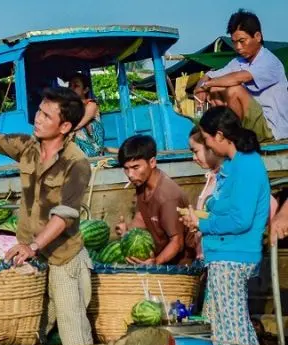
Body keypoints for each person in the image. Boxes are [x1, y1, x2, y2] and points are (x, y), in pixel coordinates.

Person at [0, 68, 94, 345]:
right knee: (30, 330)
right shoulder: (27, 146)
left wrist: (32, 246)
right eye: (39, 112)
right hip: (33, 258)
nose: (38, 119)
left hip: (63, 258)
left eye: (47, 116)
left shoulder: (77, 163)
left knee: (73, 330)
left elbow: (64, 216)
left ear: (64, 127)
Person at [180, 106, 269, 345]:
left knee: (233, 332)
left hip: (234, 256)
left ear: (220, 135)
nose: (207, 146)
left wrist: (202, 223)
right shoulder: (233, 164)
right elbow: (223, 209)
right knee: (222, 328)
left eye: (207, 140)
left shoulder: (247, 165)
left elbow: (241, 219)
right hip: (222, 254)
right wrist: (200, 219)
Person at [194, 9, 288, 141]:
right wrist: (201, 87)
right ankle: (224, 131)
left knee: (234, 89)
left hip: (271, 128)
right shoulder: (238, 62)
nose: (237, 47)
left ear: (257, 37)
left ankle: (232, 138)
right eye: (234, 42)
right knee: (216, 89)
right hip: (251, 124)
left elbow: (240, 77)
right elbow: (209, 75)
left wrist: (206, 84)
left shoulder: (269, 61)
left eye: (242, 41)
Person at [188, 127, 279, 259]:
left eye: (196, 151)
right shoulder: (214, 178)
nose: (193, 158)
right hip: (211, 255)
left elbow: (268, 207)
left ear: (211, 147)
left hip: (231, 257)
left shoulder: (234, 176)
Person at [115, 135, 194, 265]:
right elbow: (141, 218)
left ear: (152, 162)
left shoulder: (168, 196)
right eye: (126, 168)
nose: (130, 175)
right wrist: (127, 232)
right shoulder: (142, 183)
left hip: (180, 267)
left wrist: (155, 262)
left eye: (135, 168)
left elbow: (177, 242)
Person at [68, 73, 104, 157]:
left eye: (76, 86)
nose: (71, 88)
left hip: (93, 153)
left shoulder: (91, 105)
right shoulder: (70, 107)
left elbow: (78, 125)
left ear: (85, 90)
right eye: (70, 85)